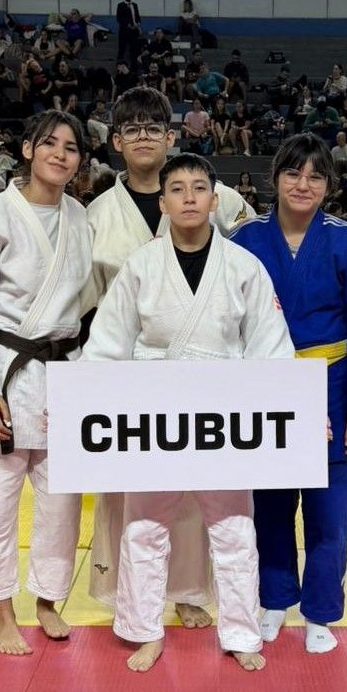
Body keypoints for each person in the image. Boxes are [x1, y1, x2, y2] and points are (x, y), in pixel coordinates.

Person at [83, 153, 294, 673]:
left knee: (234, 527)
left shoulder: (244, 266)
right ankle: (143, 630)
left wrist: (296, 408)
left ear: (215, 200)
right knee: (144, 527)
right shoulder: (140, 266)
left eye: (199, 188)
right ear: (163, 203)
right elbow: (107, 343)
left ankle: (241, 632)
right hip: (153, 409)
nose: (189, 198)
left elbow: (270, 347)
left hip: (224, 412)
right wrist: (82, 405)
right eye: (177, 189)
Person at [80, 87, 255, 631]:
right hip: (131, 373)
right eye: (131, 129)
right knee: (133, 499)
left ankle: (187, 590)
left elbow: (247, 267)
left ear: (171, 136)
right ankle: (133, 597)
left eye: (153, 128)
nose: (143, 137)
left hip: (206, 372)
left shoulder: (219, 197)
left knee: (198, 497)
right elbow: (85, 304)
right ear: (115, 141)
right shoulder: (95, 214)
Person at [229, 134, 347, 654]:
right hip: (264, 390)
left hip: (331, 389)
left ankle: (321, 611)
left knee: (329, 512)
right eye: (293, 173)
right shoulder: (243, 239)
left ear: (328, 185)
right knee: (269, 506)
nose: (304, 185)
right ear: (275, 179)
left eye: (316, 176)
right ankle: (274, 600)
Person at [0, 110, 91, 655]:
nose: (60, 154)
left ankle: (48, 601)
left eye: (71, 147)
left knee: (61, 503)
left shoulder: (80, 218)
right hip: (4, 372)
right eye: (49, 143)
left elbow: (88, 303)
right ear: (28, 149)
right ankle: (2, 611)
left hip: (64, 374)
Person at [116, 0, 143, 65]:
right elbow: (119, 18)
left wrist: (138, 24)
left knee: (134, 50)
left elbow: (138, 17)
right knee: (122, 49)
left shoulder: (135, 5)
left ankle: (134, 67)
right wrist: (127, 24)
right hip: (124, 31)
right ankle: (119, 66)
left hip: (134, 30)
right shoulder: (120, 5)